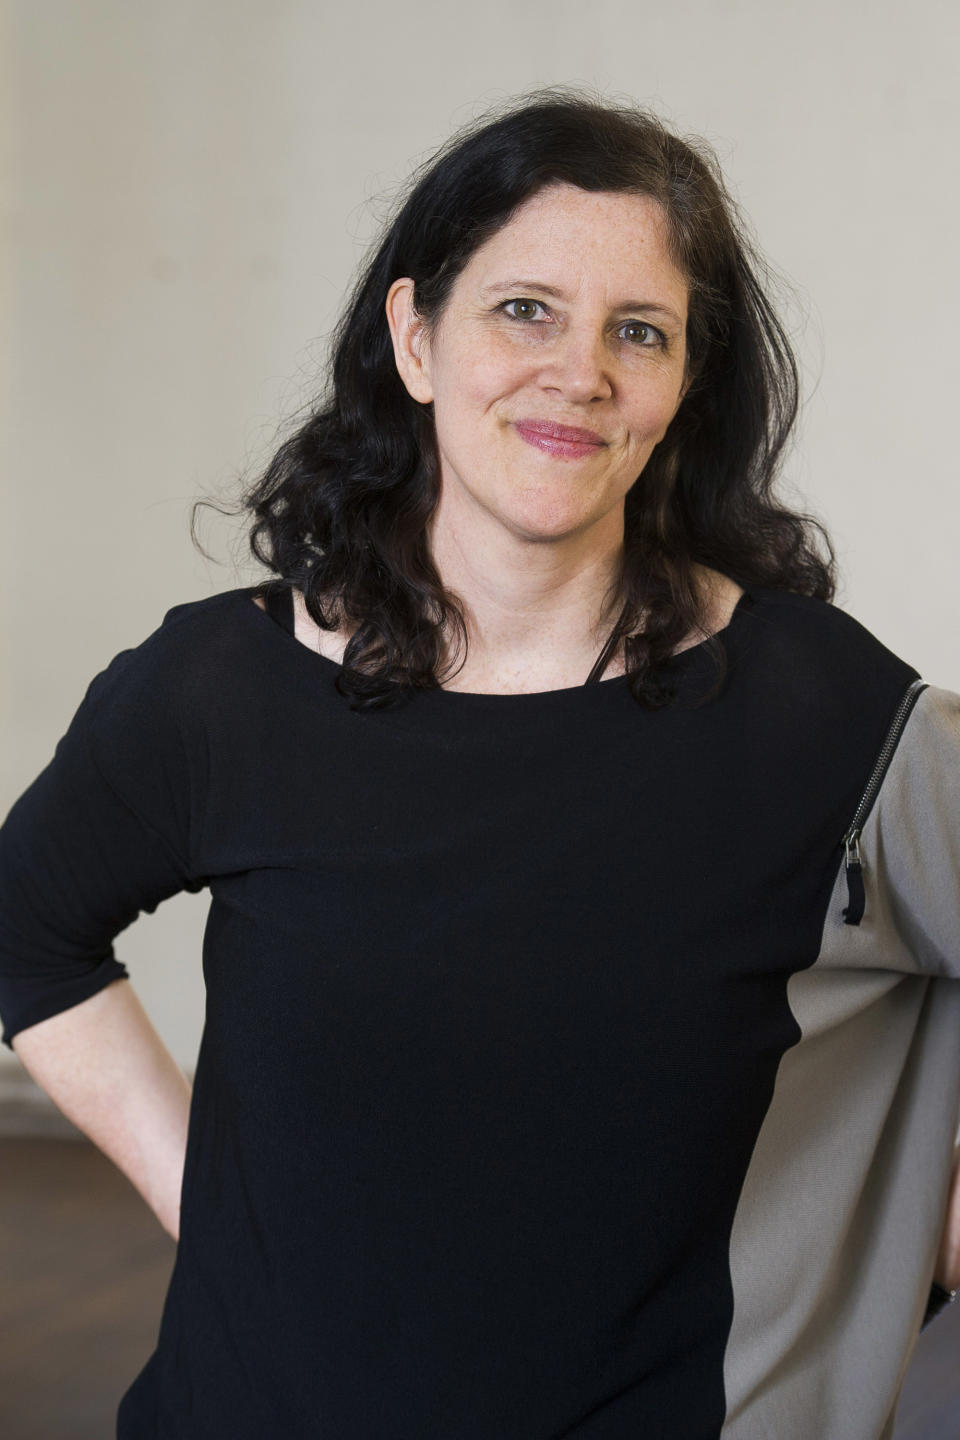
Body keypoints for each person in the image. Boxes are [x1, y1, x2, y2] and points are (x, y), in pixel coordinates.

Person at [0, 86, 958, 1440]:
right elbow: (26, 927)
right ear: (415, 337)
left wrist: (902, 1224)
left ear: (684, 386)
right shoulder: (223, 690)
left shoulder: (824, 713)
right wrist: (203, 1199)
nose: (581, 373)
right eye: (525, 310)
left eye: (641, 331)